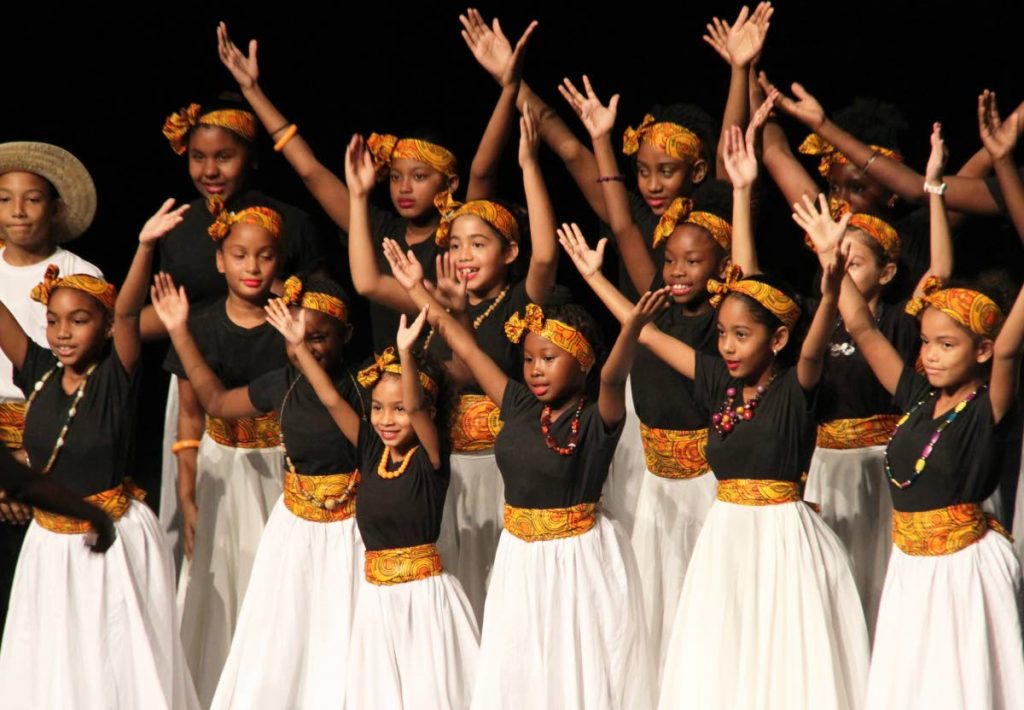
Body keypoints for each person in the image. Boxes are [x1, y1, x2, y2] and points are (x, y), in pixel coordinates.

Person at [557, 74, 735, 679]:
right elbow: (627, 227)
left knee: (709, 605)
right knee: (653, 599)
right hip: (654, 476)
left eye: (692, 261)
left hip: (711, 479)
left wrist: (736, 76)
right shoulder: (654, 298)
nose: (678, 270)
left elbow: (732, 177)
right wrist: (604, 141)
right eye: (671, 261)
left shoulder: (728, 315)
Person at [0, 200, 199, 709]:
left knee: (114, 660)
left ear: (105, 327)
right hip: (49, 545)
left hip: (110, 540)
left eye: (80, 320)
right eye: (53, 321)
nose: (63, 333)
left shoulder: (114, 378)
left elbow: (130, 310)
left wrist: (144, 246)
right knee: (56, 661)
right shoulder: (39, 371)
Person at [378, 98, 558, 622]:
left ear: (508, 252)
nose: (464, 256)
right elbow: (449, 366)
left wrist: (528, 167)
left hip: (507, 470)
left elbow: (546, 255)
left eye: (479, 244)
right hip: (454, 471)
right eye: (455, 245)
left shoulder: (523, 303)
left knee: (504, 592)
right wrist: (421, 294)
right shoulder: (445, 314)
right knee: (461, 587)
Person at [152, 272, 364, 709]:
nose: (305, 347)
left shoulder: (365, 385)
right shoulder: (279, 384)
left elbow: (363, 437)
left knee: (342, 636)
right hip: (295, 531)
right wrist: (179, 333)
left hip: (351, 532)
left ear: (346, 336)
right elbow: (215, 402)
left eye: (318, 337)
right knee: (286, 636)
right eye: (295, 338)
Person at [834, 228, 1024, 709]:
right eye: (926, 343)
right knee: (911, 680)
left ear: (980, 351)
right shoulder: (918, 398)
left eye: (946, 345)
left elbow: (1008, 349)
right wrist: (828, 261)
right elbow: (861, 326)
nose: (930, 356)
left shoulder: (987, 408)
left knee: (957, 683)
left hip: (963, 567)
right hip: (911, 565)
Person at [266, 300, 479, 710]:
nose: (386, 419)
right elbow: (330, 399)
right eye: (378, 407)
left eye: (398, 410)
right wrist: (299, 347)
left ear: (426, 414)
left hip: (422, 601)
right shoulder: (369, 450)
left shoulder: (432, 459)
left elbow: (417, 407)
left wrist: (405, 355)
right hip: (377, 602)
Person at [151, 90, 325, 569]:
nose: (210, 170)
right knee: (211, 536)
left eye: (224, 157)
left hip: (272, 379)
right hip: (196, 369)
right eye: (199, 157)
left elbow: (320, 305)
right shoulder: (179, 225)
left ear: (250, 158)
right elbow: (157, 311)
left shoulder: (290, 223)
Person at [793, 123, 954, 637]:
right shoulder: (819, 319)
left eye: (854, 263)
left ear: (885, 273)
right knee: (832, 589)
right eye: (838, 261)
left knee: (876, 582)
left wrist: (932, 190)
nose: (842, 269)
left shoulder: (902, 323)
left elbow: (943, 273)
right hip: (825, 466)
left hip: (877, 468)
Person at [164, 199, 289, 706]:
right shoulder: (201, 325)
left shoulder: (290, 324)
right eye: (239, 255)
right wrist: (188, 494)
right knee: (218, 583)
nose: (252, 267)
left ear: (279, 261)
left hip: (278, 471)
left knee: (269, 581)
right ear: (220, 260)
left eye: (263, 256)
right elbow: (192, 417)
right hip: (220, 470)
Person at [0, 141, 102, 630]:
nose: (17, 211)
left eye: (32, 198)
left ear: (56, 208)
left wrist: (26, 472)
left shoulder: (80, 274)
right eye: (4, 198)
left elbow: (87, 383)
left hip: (52, 441)